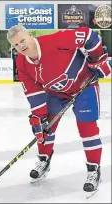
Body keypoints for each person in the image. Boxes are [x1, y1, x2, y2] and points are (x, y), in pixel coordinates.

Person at [7, 25, 111, 194]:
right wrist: (40, 117)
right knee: (44, 128)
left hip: (85, 86)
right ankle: (44, 160)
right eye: (16, 45)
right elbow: (34, 92)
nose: (21, 46)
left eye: (22, 40)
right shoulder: (21, 62)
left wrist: (97, 59)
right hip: (55, 93)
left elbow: (88, 34)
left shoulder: (55, 41)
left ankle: (93, 170)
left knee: (87, 129)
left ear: (30, 35)